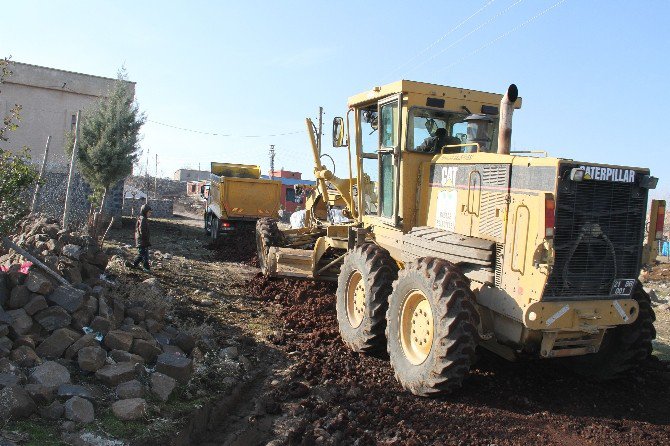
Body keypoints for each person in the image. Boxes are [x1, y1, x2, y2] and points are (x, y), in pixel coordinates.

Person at [132, 204, 152, 271]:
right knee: (143, 255)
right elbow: (142, 231)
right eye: (149, 212)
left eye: (150, 212)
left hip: (143, 240)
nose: (150, 214)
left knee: (143, 254)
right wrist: (145, 240)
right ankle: (146, 268)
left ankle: (134, 265)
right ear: (145, 211)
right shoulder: (143, 219)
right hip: (142, 240)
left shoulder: (143, 218)